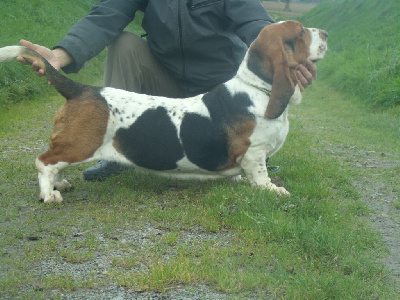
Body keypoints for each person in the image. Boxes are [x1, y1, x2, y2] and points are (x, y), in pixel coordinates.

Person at [18, 0, 317, 181]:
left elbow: (255, 22)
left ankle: (246, 152)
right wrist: (61, 54)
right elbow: (105, 16)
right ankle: (114, 147)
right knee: (124, 43)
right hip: (165, 82)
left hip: (220, 91)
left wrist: (284, 51)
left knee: (237, 147)